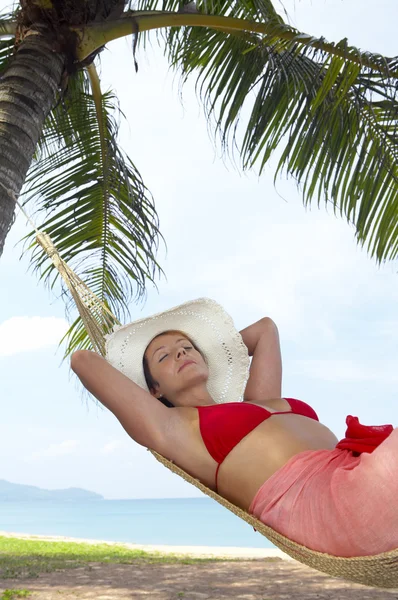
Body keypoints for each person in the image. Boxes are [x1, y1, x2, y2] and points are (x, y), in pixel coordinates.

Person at [71, 298, 398, 558]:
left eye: (187, 346)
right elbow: (82, 360)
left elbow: (265, 330)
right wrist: (148, 387)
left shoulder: (259, 401)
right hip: (326, 507)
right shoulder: (174, 428)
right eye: (164, 356)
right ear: (153, 390)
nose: (181, 352)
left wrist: (210, 356)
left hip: (357, 473)